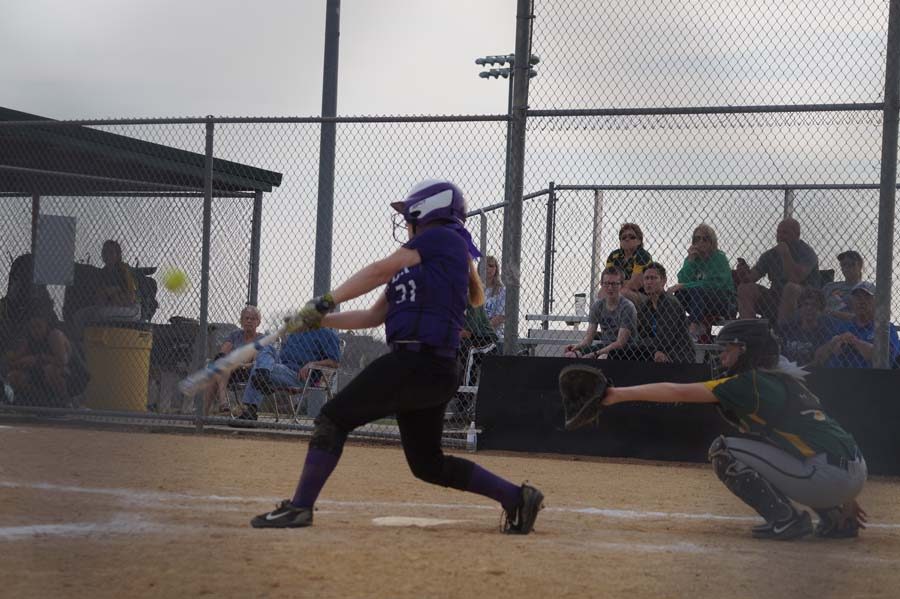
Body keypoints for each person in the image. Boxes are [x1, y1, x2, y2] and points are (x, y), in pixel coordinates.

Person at [249, 180, 544, 534]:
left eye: (409, 215)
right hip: (429, 369)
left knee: (332, 418)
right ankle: (517, 497)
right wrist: (316, 321)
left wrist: (326, 300)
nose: (405, 222)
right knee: (428, 465)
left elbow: (376, 271)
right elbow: (372, 318)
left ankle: (299, 508)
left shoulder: (444, 238)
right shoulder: (418, 265)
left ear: (427, 213)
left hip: (417, 364)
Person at [561, 319, 868, 540]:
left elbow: (677, 391)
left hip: (828, 476)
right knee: (781, 447)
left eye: (729, 349)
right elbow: (826, 432)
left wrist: (614, 395)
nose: (722, 355)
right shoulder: (784, 379)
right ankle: (834, 519)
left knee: (723, 450)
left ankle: (787, 521)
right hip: (850, 468)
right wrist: (847, 495)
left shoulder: (749, 384)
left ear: (747, 351)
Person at [234, 326, 342, 421]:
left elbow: (334, 363)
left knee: (258, 370)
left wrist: (312, 364)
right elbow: (279, 356)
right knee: (266, 346)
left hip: (300, 375)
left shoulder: (327, 334)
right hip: (281, 367)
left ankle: (250, 408)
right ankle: (263, 377)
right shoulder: (296, 333)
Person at [735, 218, 819, 326]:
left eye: (785, 233)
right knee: (745, 288)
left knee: (790, 287)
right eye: (778, 232)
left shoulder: (807, 252)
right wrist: (744, 274)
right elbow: (753, 276)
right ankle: (749, 330)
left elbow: (795, 278)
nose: (780, 236)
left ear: (797, 234)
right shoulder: (771, 254)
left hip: (803, 298)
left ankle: (782, 332)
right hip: (775, 297)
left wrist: (785, 254)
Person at [2, 308, 85, 407]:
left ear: (46, 324)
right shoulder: (29, 339)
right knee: (14, 376)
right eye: (32, 327)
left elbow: (62, 361)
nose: (35, 330)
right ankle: (39, 402)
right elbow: (15, 360)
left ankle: (67, 403)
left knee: (51, 370)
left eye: (39, 326)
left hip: (71, 375)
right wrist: (16, 360)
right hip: (40, 376)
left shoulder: (54, 335)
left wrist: (38, 358)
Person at [668, 223, 735, 340]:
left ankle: (693, 329)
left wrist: (685, 285)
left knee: (697, 289)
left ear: (712, 241)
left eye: (705, 239)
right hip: (698, 302)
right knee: (680, 294)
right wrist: (690, 260)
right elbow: (682, 280)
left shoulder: (719, 257)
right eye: (697, 239)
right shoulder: (693, 258)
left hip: (722, 301)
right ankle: (675, 326)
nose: (701, 242)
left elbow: (714, 284)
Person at [814, 282, 900, 369]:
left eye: (867, 297)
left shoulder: (885, 328)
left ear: (876, 302)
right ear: (852, 301)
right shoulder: (842, 326)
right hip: (836, 378)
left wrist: (855, 342)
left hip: (870, 379)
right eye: (857, 297)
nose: (862, 301)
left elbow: (886, 357)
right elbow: (818, 358)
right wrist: (833, 343)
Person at [71, 240, 141, 340]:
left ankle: (99, 344)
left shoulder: (124, 270)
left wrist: (112, 294)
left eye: (111, 252)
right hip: (110, 306)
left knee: (101, 314)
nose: (107, 255)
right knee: (79, 316)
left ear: (118, 255)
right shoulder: (102, 273)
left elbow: (131, 298)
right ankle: (82, 345)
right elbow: (99, 298)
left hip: (132, 308)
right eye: (105, 252)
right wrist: (110, 294)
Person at [564, 267, 636, 360]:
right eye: (606, 283)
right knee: (571, 355)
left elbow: (620, 343)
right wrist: (576, 346)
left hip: (625, 350)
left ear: (621, 285)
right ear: (601, 284)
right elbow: (588, 339)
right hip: (604, 346)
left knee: (602, 358)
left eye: (614, 284)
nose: (610, 287)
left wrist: (595, 353)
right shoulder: (597, 305)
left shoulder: (627, 307)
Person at [203, 305, 264, 416]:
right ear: (241, 321)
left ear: (258, 322)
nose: (249, 321)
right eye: (246, 318)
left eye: (253, 318)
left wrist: (239, 364)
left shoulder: (260, 339)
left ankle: (215, 407)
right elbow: (222, 354)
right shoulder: (235, 335)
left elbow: (256, 363)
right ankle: (214, 409)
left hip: (247, 372)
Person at [631, 263, 695, 363]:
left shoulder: (670, 304)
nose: (649, 282)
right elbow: (641, 334)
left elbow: (665, 339)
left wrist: (645, 343)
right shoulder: (646, 305)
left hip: (678, 354)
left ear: (663, 281)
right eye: (646, 278)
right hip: (654, 351)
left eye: (653, 278)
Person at [779, 287, 836, 367]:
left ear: (820, 309)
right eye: (806, 304)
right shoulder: (788, 328)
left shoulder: (824, 333)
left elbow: (818, 361)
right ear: (800, 306)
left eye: (814, 305)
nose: (809, 308)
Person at [605, 223, 653, 303]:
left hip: (644, 296)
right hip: (618, 290)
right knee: (600, 293)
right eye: (623, 237)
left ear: (639, 241)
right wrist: (619, 283)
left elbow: (635, 284)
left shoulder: (643, 255)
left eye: (632, 237)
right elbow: (606, 281)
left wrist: (615, 283)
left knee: (624, 293)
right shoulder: (614, 256)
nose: (627, 239)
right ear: (620, 241)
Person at [822, 250, 865, 322]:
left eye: (851, 264)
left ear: (860, 266)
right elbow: (817, 307)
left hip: (851, 327)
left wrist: (832, 313)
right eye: (843, 264)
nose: (847, 268)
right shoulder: (830, 286)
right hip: (825, 324)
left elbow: (862, 318)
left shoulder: (866, 289)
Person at [481, 255, 505, 337]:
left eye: (491, 266)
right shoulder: (473, 289)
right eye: (485, 266)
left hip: (493, 334)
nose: (488, 268)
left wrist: (482, 329)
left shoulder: (501, 291)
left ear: (496, 269)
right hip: (473, 333)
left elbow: (500, 317)